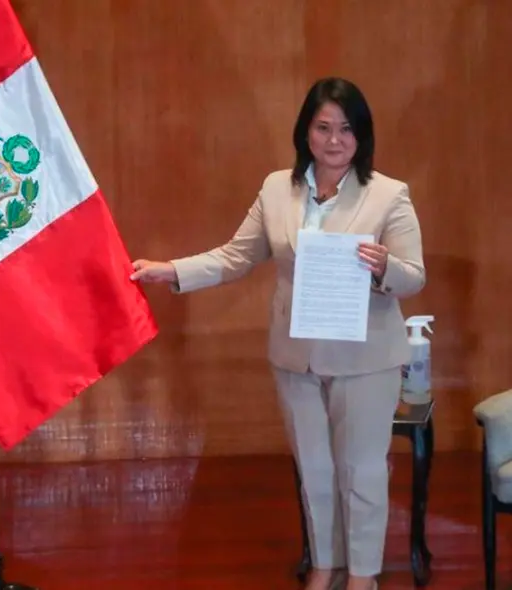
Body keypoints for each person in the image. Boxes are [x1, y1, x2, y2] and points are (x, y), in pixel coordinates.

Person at [130, 77, 425, 590]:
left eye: (346, 129)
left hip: (366, 356)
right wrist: (171, 270)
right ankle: (325, 567)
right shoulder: (275, 189)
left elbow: (414, 276)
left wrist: (384, 267)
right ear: (305, 131)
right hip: (296, 355)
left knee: (362, 471)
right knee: (314, 469)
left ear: (362, 136)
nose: (334, 140)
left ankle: (363, 576)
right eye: (323, 127)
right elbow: (235, 256)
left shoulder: (388, 194)